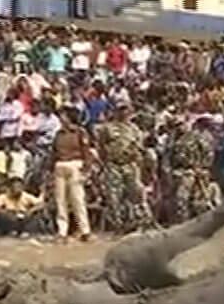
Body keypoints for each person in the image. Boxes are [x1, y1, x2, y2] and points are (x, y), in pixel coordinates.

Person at [96, 101, 152, 231]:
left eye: (126, 110)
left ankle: (137, 221)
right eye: (120, 110)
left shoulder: (135, 129)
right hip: (114, 165)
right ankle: (118, 224)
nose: (123, 112)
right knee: (114, 197)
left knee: (135, 193)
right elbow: (101, 146)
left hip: (130, 165)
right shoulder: (107, 128)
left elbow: (139, 147)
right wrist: (106, 162)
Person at [52, 107, 92, 242]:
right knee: (60, 201)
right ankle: (62, 231)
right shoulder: (58, 134)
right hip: (60, 165)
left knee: (77, 199)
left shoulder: (80, 132)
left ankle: (84, 230)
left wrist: (87, 169)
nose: (61, 118)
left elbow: (86, 151)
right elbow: (54, 152)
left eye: (63, 115)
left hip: (75, 165)